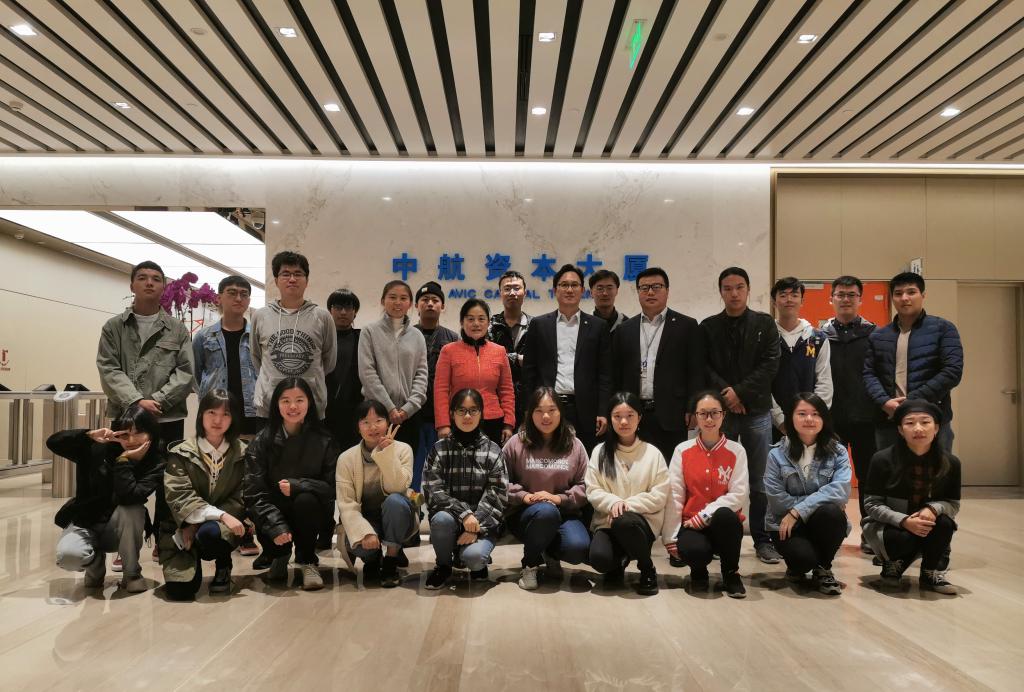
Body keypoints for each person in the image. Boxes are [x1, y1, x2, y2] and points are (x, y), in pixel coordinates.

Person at [702, 267, 782, 564]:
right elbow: (704, 366)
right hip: (721, 414)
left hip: (757, 412)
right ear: (720, 292)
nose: (733, 293)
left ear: (748, 290)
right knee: (716, 478)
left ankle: (762, 539)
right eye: (727, 288)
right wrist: (728, 396)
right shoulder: (708, 327)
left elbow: (770, 364)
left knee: (760, 480)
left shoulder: (764, 323)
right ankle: (714, 536)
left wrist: (740, 393)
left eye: (739, 287)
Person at [49, 404, 164, 593]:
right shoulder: (98, 448)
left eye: (138, 433)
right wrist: (88, 435)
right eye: (125, 434)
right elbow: (53, 442)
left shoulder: (155, 463)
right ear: (117, 433)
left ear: (151, 433)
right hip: (85, 523)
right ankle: (95, 565)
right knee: (68, 557)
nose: (131, 440)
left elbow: (130, 497)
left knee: (133, 509)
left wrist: (124, 461)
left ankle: (132, 574)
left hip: (118, 531)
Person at [243, 377, 338, 590]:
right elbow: (253, 493)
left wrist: (298, 485)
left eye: (299, 400)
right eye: (285, 400)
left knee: (306, 500)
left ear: (309, 403)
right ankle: (280, 556)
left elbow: (332, 487)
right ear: (276, 405)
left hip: (311, 512)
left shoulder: (324, 440)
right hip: (273, 514)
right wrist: (276, 525)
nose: (293, 406)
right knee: (268, 509)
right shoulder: (261, 441)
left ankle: (307, 560)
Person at [862, 400, 960, 594]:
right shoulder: (882, 459)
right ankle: (893, 566)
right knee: (901, 538)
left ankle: (930, 572)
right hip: (892, 526)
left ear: (936, 428)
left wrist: (933, 509)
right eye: (910, 423)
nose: (918, 428)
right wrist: (904, 521)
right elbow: (872, 504)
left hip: (927, 524)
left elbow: (953, 504)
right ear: (900, 430)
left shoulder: (950, 462)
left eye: (925, 422)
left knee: (944, 523)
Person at [159, 389, 248, 600]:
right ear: (201, 415)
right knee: (180, 592)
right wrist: (213, 516)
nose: (218, 420)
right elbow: (179, 495)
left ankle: (223, 564)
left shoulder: (243, 453)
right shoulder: (181, 452)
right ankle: (190, 561)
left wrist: (216, 518)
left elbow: (241, 496)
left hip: (218, 528)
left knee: (210, 534)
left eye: (226, 414)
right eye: (211, 412)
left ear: (233, 418)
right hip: (183, 526)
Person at [612, 267, 705, 464]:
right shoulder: (625, 329)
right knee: (635, 467)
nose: (650, 292)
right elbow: (617, 374)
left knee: (670, 468)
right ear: (638, 292)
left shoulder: (686, 326)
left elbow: (696, 371)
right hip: (634, 413)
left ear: (667, 291)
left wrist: (693, 407)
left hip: (672, 412)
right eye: (644, 288)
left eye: (656, 287)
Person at [97, 260, 193, 448]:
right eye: (142, 278)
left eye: (156, 279)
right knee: (124, 463)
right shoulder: (113, 327)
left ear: (163, 288)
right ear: (132, 286)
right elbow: (108, 368)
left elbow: (185, 372)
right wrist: (136, 401)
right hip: (125, 416)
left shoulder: (178, 329)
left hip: (166, 417)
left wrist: (158, 401)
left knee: (167, 465)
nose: (149, 283)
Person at [863, 272, 963, 452]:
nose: (904, 298)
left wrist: (911, 401)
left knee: (937, 469)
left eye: (911, 292)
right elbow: (869, 374)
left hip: (931, 419)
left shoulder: (943, 329)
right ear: (892, 297)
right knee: (890, 469)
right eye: (898, 293)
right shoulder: (879, 336)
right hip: (889, 420)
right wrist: (884, 402)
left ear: (923, 295)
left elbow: (952, 371)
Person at [663, 391, 749, 598]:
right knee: (693, 551)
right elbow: (675, 496)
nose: (709, 419)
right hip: (691, 524)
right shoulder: (682, 450)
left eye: (714, 413)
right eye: (703, 413)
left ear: (723, 415)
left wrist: (704, 516)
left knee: (725, 515)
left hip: (723, 524)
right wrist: (670, 537)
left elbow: (738, 494)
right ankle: (698, 572)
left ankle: (731, 573)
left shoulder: (736, 451)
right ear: (695, 416)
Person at [503, 387, 591, 590]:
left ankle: (548, 551)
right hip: (525, 514)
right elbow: (499, 482)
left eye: (552, 410)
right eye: (539, 411)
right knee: (545, 512)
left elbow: (586, 485)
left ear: (561, 412)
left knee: (577, 548)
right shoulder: (516, 443)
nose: (546, 417)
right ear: (529, 414)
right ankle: (530, 564)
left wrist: (558, 498)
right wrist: (524, 496)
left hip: (564, 512)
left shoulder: (575, 445)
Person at [764, 393, 852, 596]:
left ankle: (824, 568)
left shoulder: (838, 452)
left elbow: (840, 491)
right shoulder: (776, 454)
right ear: (791, 418)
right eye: (802, 414)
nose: (809, 419)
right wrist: (816, 503)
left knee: (831, 513)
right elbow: (777, 500)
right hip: (786, 525)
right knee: (803, 560)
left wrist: (797, 510)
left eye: (815, 414)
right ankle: (799, 565)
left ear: (824, 418)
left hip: (815, 520)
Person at [422, 389, 508, 590]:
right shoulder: (439, 449)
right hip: (451, 519)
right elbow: (434, 491)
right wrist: (465, 514)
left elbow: (497, 495)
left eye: (473, 410)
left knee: (474, 558)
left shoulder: (493, 450)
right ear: (452, 414)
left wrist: (475, 524)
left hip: (482, 523)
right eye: (461, 410)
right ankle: (443, 566)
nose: (467, 416)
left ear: (481, 413)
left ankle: (474, 559)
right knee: (441, 519)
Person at [586, 392, 669, 596]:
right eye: (617, 416)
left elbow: (660, 495)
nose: (624, 421)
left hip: (640, 523)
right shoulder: (600, 452)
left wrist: (626, 505)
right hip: (607, 522)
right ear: (610, 419)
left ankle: (647, 568)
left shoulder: (653, 453)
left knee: (624, 521)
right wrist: (613, 502)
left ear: (639, 418)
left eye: (630, 415)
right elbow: (593, 489)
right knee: (599, 559)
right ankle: (618, 562)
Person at [522, 264, 612, 453]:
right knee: (547, 457)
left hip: (585, 409)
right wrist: (529, 408)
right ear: (555, 290)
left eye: (574, 285)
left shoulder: (598, 326)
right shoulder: (539, 325)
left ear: (583, 290)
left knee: (584, 458)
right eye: (564, 285)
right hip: (547, 407)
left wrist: (603, 411)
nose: (569, 290)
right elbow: (529, 371)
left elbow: (605, 373)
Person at [336, 399, 418, 588]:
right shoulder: (346, 458)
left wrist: (387, 453)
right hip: (366, 518)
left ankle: (391, 558)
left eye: (379, 421)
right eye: (366, 422)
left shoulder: (403, 450)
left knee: (395, 501)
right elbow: (346, 503)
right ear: (358, 428)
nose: (373, 427)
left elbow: (398, 487)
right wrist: (364, 532)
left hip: (397, 516)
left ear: (388, 423)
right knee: (359, 545)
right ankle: (373, 559)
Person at [822, 275, 877, 552]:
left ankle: (870, 533)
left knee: (868, 478)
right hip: (832, 421)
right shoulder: (819, 336)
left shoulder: (874, 335)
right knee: (832, 478)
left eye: (851, 295)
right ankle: (831, 532)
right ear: (831, 299)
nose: (846, 299)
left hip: (867, 418)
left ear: (860, 299)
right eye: (840, 295)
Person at [250, 250, 338, 422]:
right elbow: (256, 358)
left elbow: (329, 361)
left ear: (307, 280)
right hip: (270, 406)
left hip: (311, 405)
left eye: (298, 274)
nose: (292, 279)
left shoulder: (322, 317)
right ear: (276, 280)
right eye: (285, 274)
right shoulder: (260, 316)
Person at [358, 279, 429, 466]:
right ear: (383, 301)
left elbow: (422, 375)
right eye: (392, 297)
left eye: (403, 298)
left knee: (404, 469)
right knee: (376, 467)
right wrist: (389, 408)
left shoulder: (417, 336)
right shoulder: (369, 332)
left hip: (409, 417)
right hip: (376, 414)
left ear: (410, 304)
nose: (398, 302)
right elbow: (367, 373)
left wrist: (407, 409)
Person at [434, 298, 515, 444]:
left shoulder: (499, 351)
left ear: (488, 322)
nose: (476, 324)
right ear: (462, 322)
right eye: (470, 319)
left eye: (481, 319)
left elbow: (506, 390)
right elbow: (441, 390)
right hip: (460, 420)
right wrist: (443, 424)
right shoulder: (448, 351)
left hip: (493, 422)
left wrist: (508, 423)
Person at [193, 275, 261, 437]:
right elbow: (195, 374)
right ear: (219, 298)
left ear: (249, 301)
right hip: (216, 411)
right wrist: (207, 396)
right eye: (232, 293)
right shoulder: (204, 337)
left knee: (250, 451)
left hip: (251, 411)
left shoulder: (257, 336)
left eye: (244, 294)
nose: (238, 298)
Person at [769, 276, 832, 433]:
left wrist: (813, 416)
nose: (789, 299)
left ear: (802, 301)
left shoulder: (818, 338)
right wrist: (780, 420)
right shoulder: (766, 338)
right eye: (783, 295)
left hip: (810, 423)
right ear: (774, 302)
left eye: (794, 295)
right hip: (773, 423)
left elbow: (824, 381)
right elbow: (762, 384)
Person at [412, 281, 458, 492]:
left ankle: (439, 507)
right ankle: (411, 508)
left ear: (442, 306)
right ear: (416, 305)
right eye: (425, 300)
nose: (430, 304)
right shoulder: (407, 335)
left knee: (440, 468)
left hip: (440, 418)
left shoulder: (452, 339)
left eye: (435, 300)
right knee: (412, 467)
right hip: (411, 415)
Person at [488, 270, 533, 427]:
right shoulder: (489, 326)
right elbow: (487, 359)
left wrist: (506, 358)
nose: (512, 293)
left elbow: (541, 361)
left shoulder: (536, 326)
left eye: (516, 288)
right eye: (507, 289)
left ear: (525, 293)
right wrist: (518, 359)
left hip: (529, 402)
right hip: (495, 401)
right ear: (500, 293)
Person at [324, 288, 363, 451]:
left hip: (354, 409)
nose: (343, 312)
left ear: (355, 312)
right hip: (324, 409)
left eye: (348, 307)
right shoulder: (321, 338)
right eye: (338, 307)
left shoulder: (363, 338)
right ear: (330, 310)